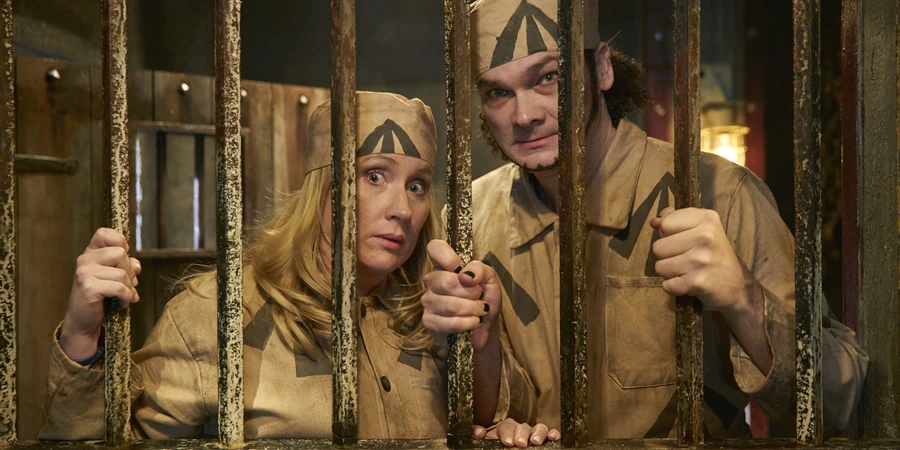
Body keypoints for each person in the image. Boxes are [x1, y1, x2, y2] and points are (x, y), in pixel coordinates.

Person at [422, 0, 869, 441]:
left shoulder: (718, 193)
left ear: (602, 68)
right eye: (498, 92)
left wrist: (743, 298)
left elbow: (839, 404)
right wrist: (478, 353)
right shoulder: (471, 215)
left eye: (549, 77)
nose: (525, 115)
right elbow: (463, 417)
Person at [39, 91, 460, 440]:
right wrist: (81, 339)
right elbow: (116, 442)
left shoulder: (434, 313)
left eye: (417, 185)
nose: (402, 209)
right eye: (374, 176)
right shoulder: (222, 310)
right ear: (322, 187)